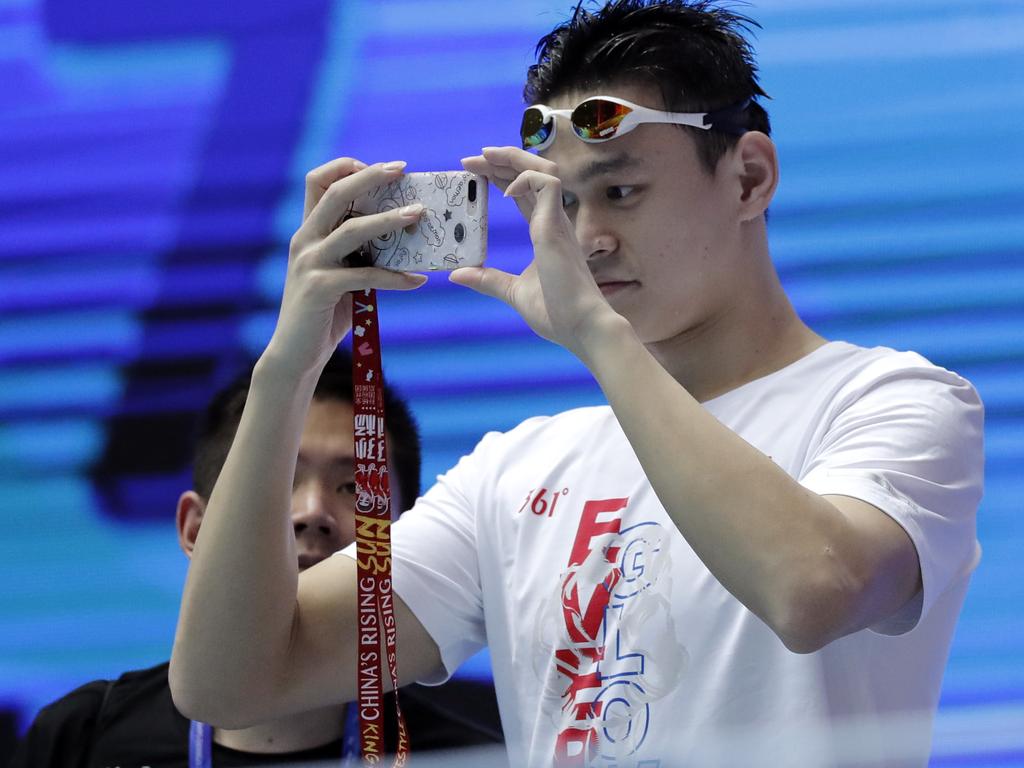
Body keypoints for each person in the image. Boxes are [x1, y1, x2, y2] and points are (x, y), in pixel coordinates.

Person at [168, 1, 984, 766]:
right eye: (560, 203)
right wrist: (287, 366)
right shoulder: (516, 472)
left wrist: (598, 338)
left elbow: (813, 591)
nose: (585, 240)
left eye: (620, 192)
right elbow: (231, 683)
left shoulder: (896, 401)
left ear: (749, 179)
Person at [10, 350, 503, 768]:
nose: (313, 514)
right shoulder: (79, 741)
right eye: (277, 484)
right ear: (197, 530)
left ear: (409, 539)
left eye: (355, 488)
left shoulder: (479, 748)